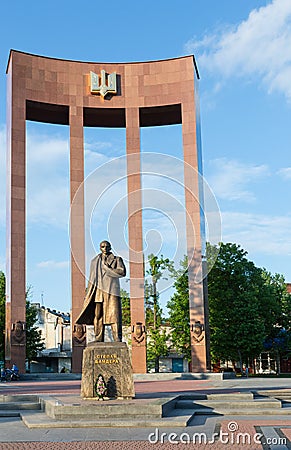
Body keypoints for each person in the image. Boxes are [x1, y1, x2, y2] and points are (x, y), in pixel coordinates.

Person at [76, 240, 126, 342]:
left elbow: (122, 272)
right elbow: (91, 278)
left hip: (112, 290)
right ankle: (98, 338)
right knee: (98, 315)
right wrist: (89, 293)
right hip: (98, 291)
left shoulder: (117, 259)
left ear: (110, 247)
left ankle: (117, 338)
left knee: (114, 315)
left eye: (107, 246)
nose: (105, 248)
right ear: (100, 248)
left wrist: (108, 269)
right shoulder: (95, 261)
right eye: (102, 246)